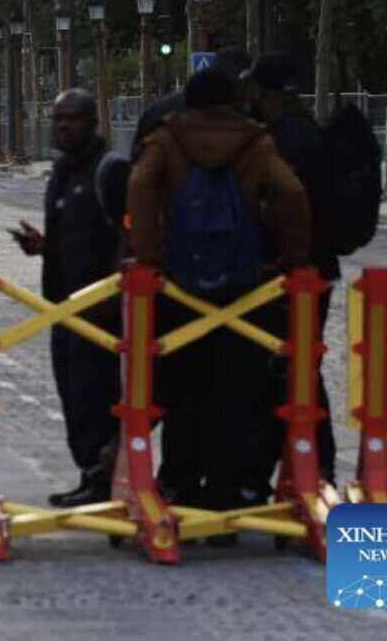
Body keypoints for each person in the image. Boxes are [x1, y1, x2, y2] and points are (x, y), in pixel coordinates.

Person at [126, 67, 311, 525]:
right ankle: (226, 496)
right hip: (242, 287)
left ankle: (181, 487)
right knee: (236, 392)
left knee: (184, 390)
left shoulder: (168, 139)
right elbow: (291, 193)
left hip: (181, 286)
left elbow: (139, 186)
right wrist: (292, 257)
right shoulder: (255, 141)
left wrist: (149, 256)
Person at [13, 90, 128, 508]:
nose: (62, 126)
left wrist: (115, 289)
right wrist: (43, 246)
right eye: (57, 118)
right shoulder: (62, 170)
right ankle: (91, 473)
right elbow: (72, 235)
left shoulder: (110, 170)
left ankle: (104, 479)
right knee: (74, 397)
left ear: (92, 122)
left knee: (96, 395)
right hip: (63, 305)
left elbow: (128, 232)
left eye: (72, 119)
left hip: (101, 309)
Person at [241, 53, 339, 496]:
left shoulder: (278, 141)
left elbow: (288, 206)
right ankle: (309, 470)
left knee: (283, 372)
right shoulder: (312, 134)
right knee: (299, 370)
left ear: (266, 95)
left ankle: (283, 473)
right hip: (314, 268)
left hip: (290, 272)